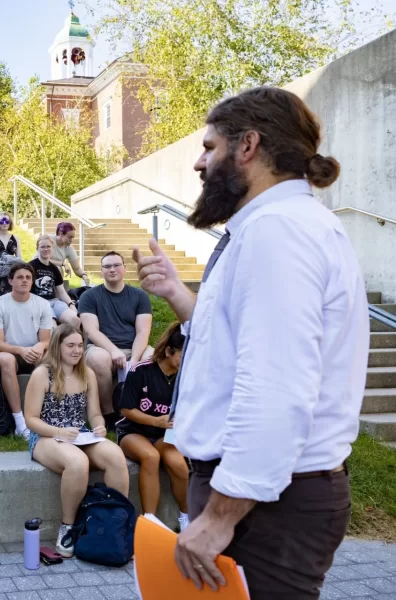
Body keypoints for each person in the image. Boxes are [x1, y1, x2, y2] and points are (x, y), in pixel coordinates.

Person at [133, 87, 365, 600]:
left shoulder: (277, 232)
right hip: (259, 497)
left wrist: (218, 517)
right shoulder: (275, 228)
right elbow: (235, 347)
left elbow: (276, 390)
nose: (198, 162)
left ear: (248, 147)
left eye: (209, 146)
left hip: (262, 507)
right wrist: (177, 293)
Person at [24, 323, 130, 558]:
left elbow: (93, 413)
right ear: (57, 347)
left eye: (80, 345)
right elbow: (30, 419)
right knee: (78, 463)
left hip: (79, 433)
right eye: (70, 345)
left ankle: (117, 523)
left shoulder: (87, 373)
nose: (76, 350)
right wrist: (59, 433)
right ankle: (68, 528)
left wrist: (99, 424)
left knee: (115, 455)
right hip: (46, 435)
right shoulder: (43, 374)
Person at [116, 321, 189, 531]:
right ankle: (149, 522)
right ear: (168, 351)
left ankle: (186, 517)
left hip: (165, 434)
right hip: (133, 431)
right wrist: (156, 421)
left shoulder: (186, 376)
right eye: (182, 355)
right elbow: (126, 410)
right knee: (150, 457)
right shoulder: (141, 370)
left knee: (178, 463)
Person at [78, 251, 153, 415]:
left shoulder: (140, 296)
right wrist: (113, 351)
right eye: (107, 266)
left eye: (116, 265)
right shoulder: (89, 296)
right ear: (101, 271)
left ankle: (144, 410)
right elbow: (91, 331)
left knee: (152, 357)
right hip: (102, 348)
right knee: (98, 359)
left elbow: (143, 332)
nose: (112, 269)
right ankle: (109, 413)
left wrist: (134, 359)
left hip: (133, 348)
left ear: (124, 268)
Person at [0, 263, 54, 439]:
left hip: (33, 350)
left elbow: (46, 340)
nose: (24, 281)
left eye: (28, 278)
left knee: (51, 359)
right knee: (8, 360)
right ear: (10, 280)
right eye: (19, 277)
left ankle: (46, 416)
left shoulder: (42, 304)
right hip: (7, 351)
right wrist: (21, 350)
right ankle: (20, 422)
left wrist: (39, 347)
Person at [30, 235, 81, 329]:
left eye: (48, 246)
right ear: (37, 248)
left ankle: (71, 343)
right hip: (39, 303)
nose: (46, 249)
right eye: (43, 247)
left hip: (54, 302)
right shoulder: (31, 266)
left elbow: (61, 292)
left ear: (52, 248)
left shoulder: (54, 268)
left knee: (75, 320)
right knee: (52, 325)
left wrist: (71, 304)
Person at [49, 222, 90, 289]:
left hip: (55, 276)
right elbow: (41, 260)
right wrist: (63, 263)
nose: (72, 240)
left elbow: (77, 268)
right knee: (58, 268)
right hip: (39, 270)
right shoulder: (49, 240)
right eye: (70, 237)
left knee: (58, 269)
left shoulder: (69, 247)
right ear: (61, 234)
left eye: (73, 237)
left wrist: (84, 275)